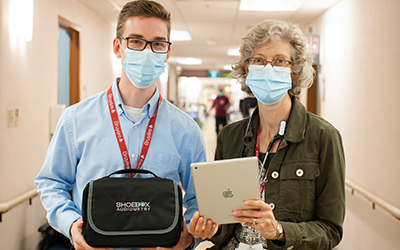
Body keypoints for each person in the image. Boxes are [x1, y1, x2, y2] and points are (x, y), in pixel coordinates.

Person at [35, 1, 206, 249]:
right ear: (118, 46)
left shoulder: (187, 131)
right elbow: (52, 182)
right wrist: (72, 225)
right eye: (136, 41)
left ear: (167, 52)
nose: (147, 51)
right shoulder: (76, 119)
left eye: (157, 43)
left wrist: (188, 237)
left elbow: (198, 199)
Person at [189, 19, 345, 250]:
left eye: (280, 61)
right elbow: (223, 222)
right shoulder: (230, 136)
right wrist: (210, 229)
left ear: (293, 71)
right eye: (259, 60)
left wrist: (280, 232)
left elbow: (331, 231)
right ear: (247, 69)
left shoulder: (323, 137)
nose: (269, 68)